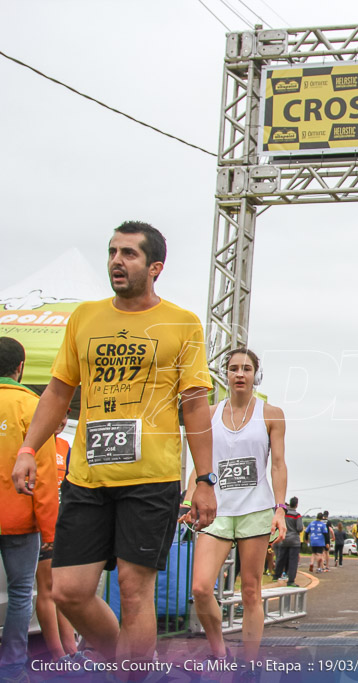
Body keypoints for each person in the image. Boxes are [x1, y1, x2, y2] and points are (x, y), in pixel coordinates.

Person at [12, 222, 217, 670]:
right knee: (68, 590)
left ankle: (132, 670)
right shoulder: (85, 317)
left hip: (151, 478)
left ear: (155, 267)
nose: (116, 262)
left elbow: (196, 405)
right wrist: (28, 449)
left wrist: (205, 480)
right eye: (111, 252)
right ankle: (131, 662)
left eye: (128, 254)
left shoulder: (183, 323)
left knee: (133, 588)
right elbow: (57, 393)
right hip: (87, 476)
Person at [179, 347, 287, 669]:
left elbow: (278, 465)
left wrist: (280, 510)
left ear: (256, 375)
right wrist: (187, 502)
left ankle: (249, 666)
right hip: (217, 510)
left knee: (251, 591)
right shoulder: (209, 414)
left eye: (247, 369)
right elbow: (200, 467)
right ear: (225, 374)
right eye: (233, 368)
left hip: (256, 509)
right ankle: (219, 654)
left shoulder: (272, 414)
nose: (240, 374)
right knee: (200, 587)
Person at [2, 337, 59, 680]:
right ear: (20, 368)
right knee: (22, 592)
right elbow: (46, 475)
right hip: (20, 519)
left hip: (19, 520)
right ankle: (10, 667)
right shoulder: (32, 407)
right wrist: (50, 530)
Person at [34, 413, 79, 664]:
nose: (61, 420)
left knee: (62, 590)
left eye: (65, 416)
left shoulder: (65, 446)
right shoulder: (34, 445)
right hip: (42, 525)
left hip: (63, 526)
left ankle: (71, 650)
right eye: (57, 415)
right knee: (48, 588)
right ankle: (57, 654)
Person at [273, 497, 302, 585]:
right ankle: (291, 580)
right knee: (293, 560)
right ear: (296, 504)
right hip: (294, 540)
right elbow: (299, 528)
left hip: (284, 538)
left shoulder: (284, 514)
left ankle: (276, 575)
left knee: (281, 558)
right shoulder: (297, 515)